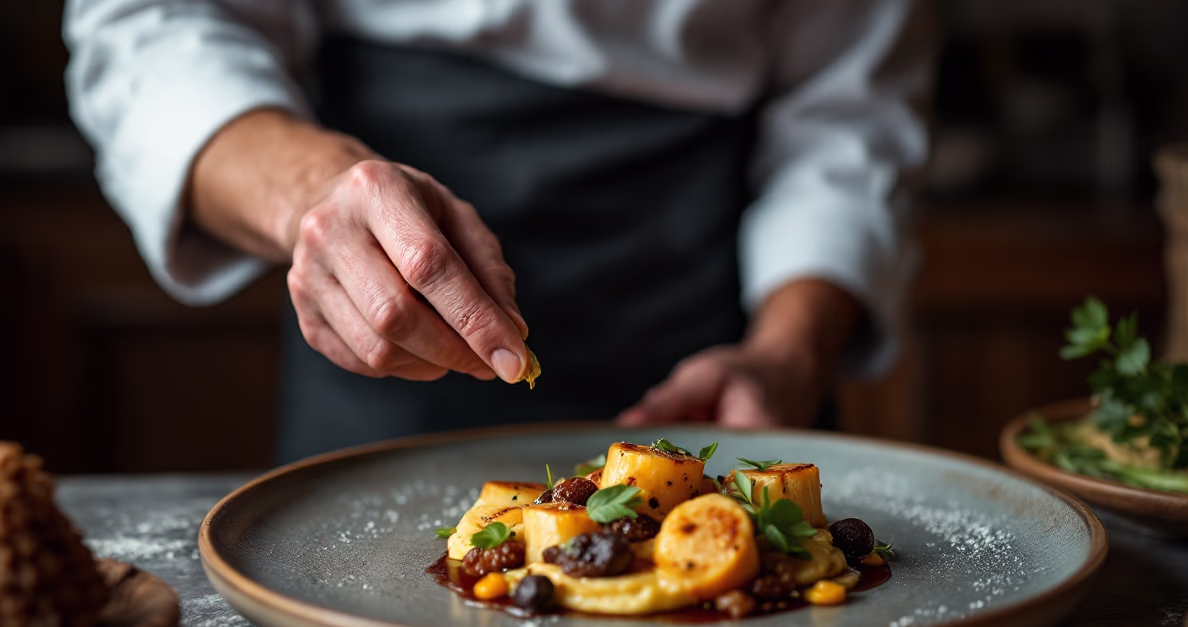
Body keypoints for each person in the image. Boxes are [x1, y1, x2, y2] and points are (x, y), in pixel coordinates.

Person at [64, 0, 931, 462]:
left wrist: (787, 353)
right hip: (379, 375)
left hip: (712, 335)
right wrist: (311, 192)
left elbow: (848, 117)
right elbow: (154, 26)